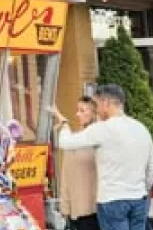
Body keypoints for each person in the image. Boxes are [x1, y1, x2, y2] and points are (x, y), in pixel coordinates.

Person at [53, 85, 153, 230]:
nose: (96, 110)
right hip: (138, 199)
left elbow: (65, 143)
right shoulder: (141, 128)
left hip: (112, 200)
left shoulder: (103, 129)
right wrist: (140, 188)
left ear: (106, 103)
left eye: (96, 105)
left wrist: (64, 124)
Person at [58, 97, 100, 230]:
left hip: (100, 210)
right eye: (77, 110)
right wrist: (65, 206)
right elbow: (66, 175)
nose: (77, 114)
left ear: (95, 113)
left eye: (82, 110)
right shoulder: (73, 140)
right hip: (78, 213)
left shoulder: (102, 138)